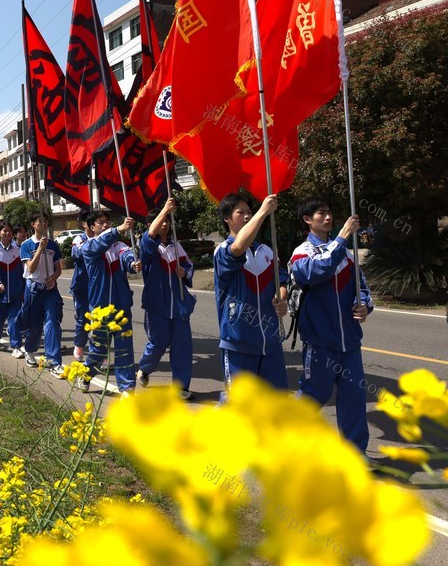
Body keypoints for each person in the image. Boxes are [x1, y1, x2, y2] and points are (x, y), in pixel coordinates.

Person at [289, 196, 373, 453]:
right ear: (307, 220)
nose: (328, 218)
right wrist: (342, 237)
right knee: (314, 395)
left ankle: (355, 454)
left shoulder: (346, 255)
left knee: (354, 398)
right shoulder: (302, 253)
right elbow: (317, 272)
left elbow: (361, 287)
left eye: (329, 213)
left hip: (349, 341)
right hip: (319, 341)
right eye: (320, 213)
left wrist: (364, 305)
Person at [214, 192, 289, 394]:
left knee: (277, 403)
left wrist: (281, 297)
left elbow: (281, 279)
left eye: (250, 212)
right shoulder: (223, 250)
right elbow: (238, 248)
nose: (247, 216)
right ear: (227, 218)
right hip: (238, 341)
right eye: (241, 212)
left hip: (270, 340)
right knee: (240, 406)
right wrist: (263, 212)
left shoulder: (266, 250)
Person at [136, 198, 197, 400]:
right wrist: (165, 208)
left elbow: (189, 266)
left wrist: (184, 273)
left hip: (179, 304)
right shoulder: (147, 246)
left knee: (182, 345)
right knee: (158, 344)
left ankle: (181, 387)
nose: (165, 223)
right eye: (161, 220)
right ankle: (145, 368)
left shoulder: (176, 246)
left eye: (167, 220)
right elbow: (150, 235)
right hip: (157, 305)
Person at [78, 211, 141, 394]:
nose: (105, 224)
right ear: (92, 227)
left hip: (121, 306)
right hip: (100, 309)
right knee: (98, 349)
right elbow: (100, 243)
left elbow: (126, 255)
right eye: (101, 222)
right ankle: (87, 373)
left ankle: (127, 387)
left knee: (124, 349)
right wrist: (119, 228)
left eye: (108, 221)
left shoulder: (119, 245)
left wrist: (132, 264)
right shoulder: (89, 247)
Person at [19, 211, 64, 375]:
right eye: (39, 221)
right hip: (33, 290)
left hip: (50, 290)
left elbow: (58, 268)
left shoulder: (53, 245)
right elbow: (31, 268)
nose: (43, 224)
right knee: (35, 325)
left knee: (52, 322)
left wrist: (52, 278)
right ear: (33, 224)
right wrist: (40, 249)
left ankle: (54, 362)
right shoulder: (26, 245)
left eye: (45, 221)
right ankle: (30, 350)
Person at [0, 220, 24, 353]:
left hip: (15, 292)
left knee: (15, 319)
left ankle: (16, 346)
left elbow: (23, 271)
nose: (7, 233)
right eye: (4, 230)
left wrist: (23, 288)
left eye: (9, 231)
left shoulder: (18, 251)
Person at [69, 210, 93, 362]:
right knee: (83, 319)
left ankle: (99, 352)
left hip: (99, 285)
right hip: (81, 286)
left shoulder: (103, 238)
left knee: (99, 320)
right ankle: (79, 345)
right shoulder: (79, 239)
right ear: (84, 224)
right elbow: (76, 254)